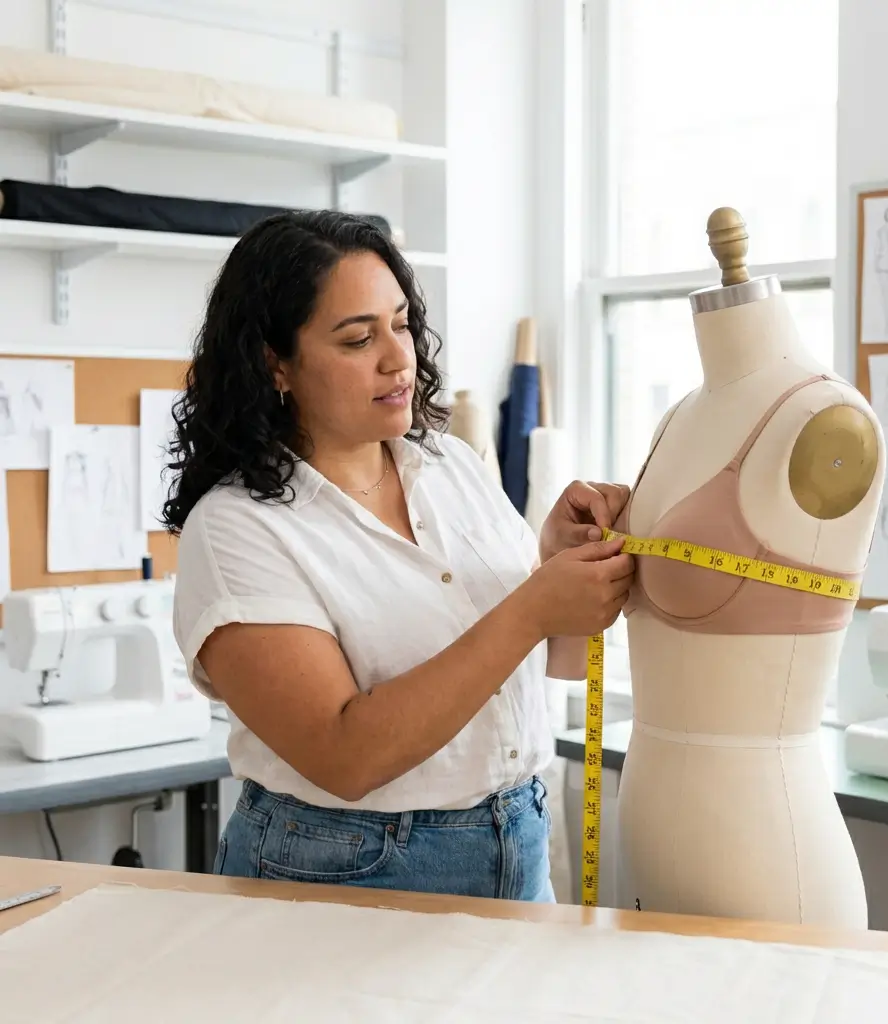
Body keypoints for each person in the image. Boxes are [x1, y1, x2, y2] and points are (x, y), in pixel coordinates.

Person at [163, 210, 634, 903]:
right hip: (343, 870)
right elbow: (345, 756)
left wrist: (558, 565)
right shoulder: (237, 528)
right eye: (358, 338)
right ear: (274, 364)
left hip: (518, 842)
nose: (397, 358)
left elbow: (544, 662)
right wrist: (535, 608)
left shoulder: (452, 465)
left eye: (402, 324)